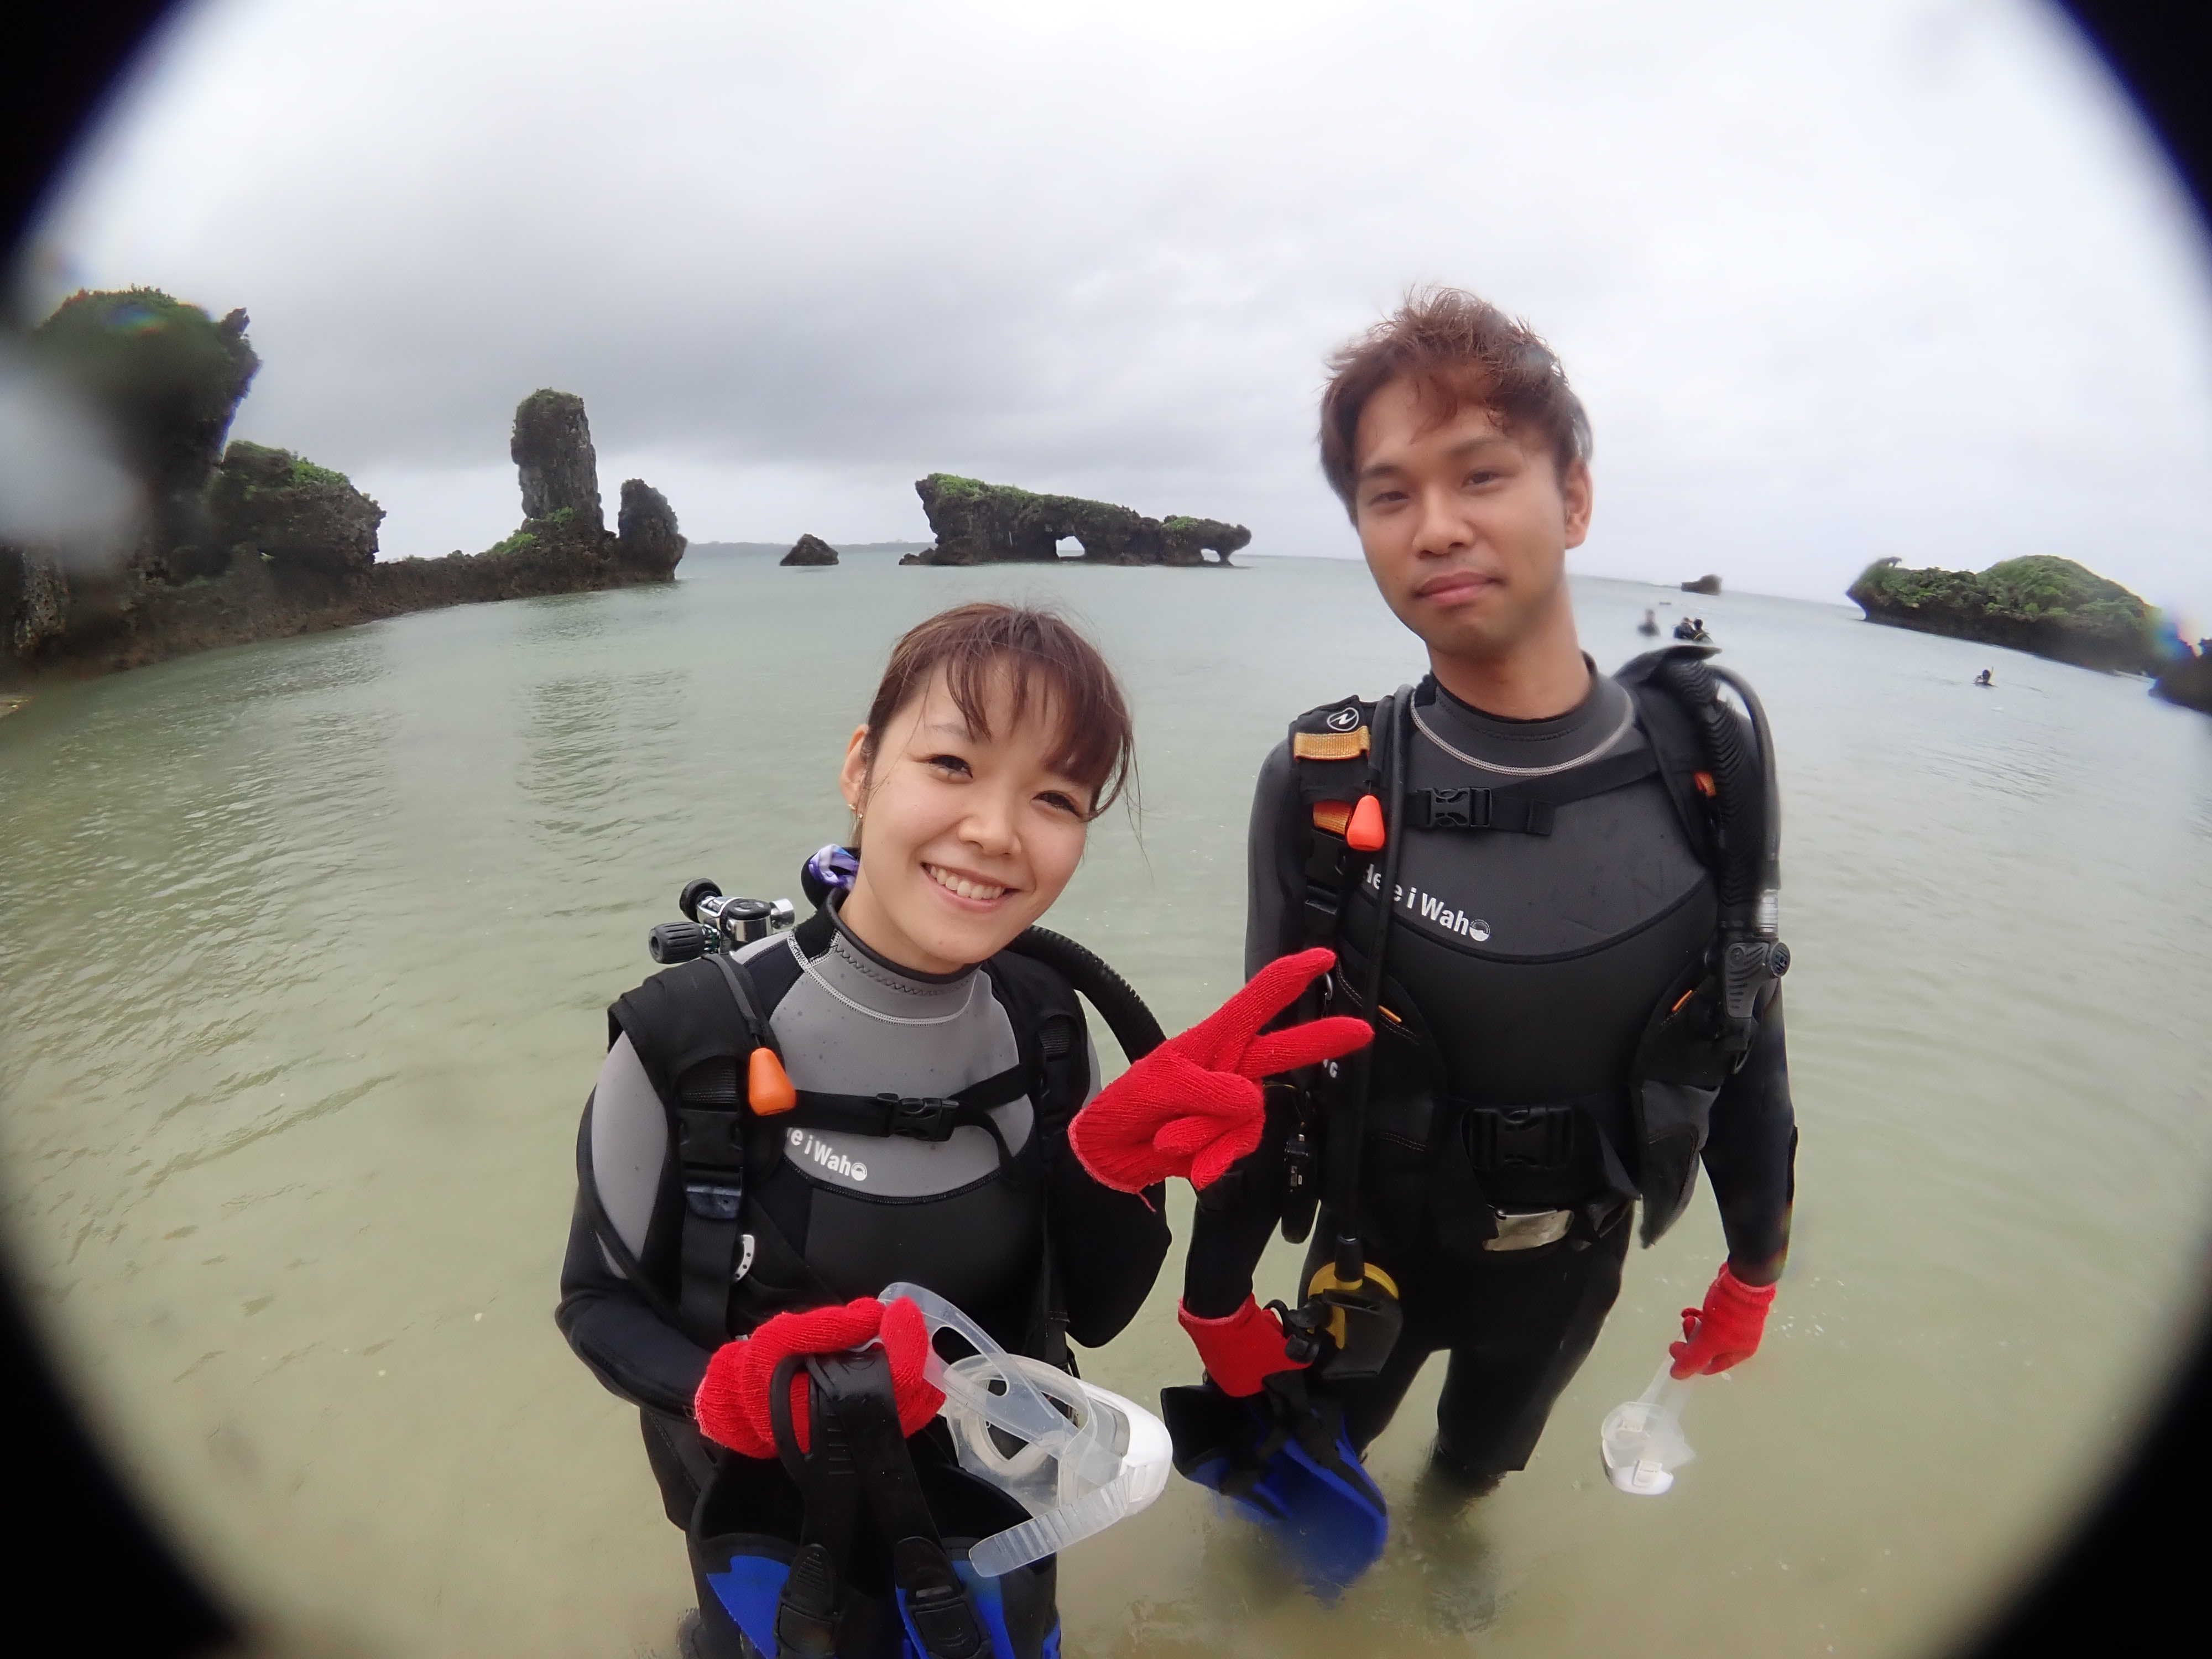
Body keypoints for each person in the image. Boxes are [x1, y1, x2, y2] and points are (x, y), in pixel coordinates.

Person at [1075, 289, 1797, 1550]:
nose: (1437, 525)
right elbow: (1261, 1068)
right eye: (1388, 494)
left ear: (1574, 498)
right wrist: (1216, 1295)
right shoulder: (1324, 785)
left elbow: (1747, 1023)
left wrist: (1754, 1263)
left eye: (1481, 474)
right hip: (1371, 1256)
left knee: (1474, 1479)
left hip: (1572, 1264)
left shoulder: (1709, 759)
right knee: (1302, 1508)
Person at [555, 604, 1364, 1658]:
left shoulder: (1044, 1021)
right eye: (951, 764)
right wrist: (730, 1391)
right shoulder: (690, 1038)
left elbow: (1096, 1314)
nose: (996, 831)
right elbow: (596, 1304)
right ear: (861, 767)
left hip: (999, 1532)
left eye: (1056, 797)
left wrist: (1110, 1173)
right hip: (768, 1548)